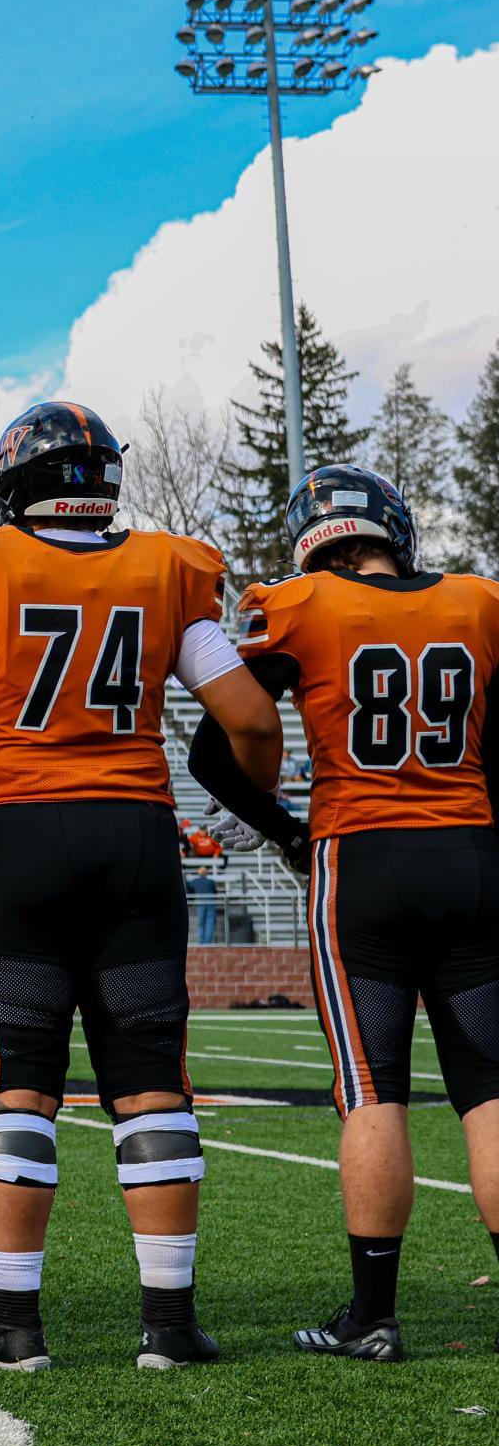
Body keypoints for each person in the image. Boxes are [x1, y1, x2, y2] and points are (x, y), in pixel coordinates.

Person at [0, 402, 282, 1372]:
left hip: (23, 832)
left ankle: (13, 1322)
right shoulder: (167, 568)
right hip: (135, 834)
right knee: (152, 1077)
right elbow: (244, 712)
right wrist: (252, 811)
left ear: (13, 483)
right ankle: (167, 1324)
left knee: (18, 1076)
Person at [187, 465, 499, 1361]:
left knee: (371, 1089)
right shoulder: (478, 602)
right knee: (489, 1087)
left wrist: (288, 830)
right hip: (472, 855)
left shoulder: (298, 607)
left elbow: (217, 750)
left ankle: (373, 1316)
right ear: (393, 527)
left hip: (360, 860)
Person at [184, 868, 218, 948]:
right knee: (209, 923)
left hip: (201, 904)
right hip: (210, 903)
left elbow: (188, 885)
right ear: (206, 874)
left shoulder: (195, 881)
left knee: (201, 924)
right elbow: (215, 892)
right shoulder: (210, 881)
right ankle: (207, 943)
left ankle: (201, 942)